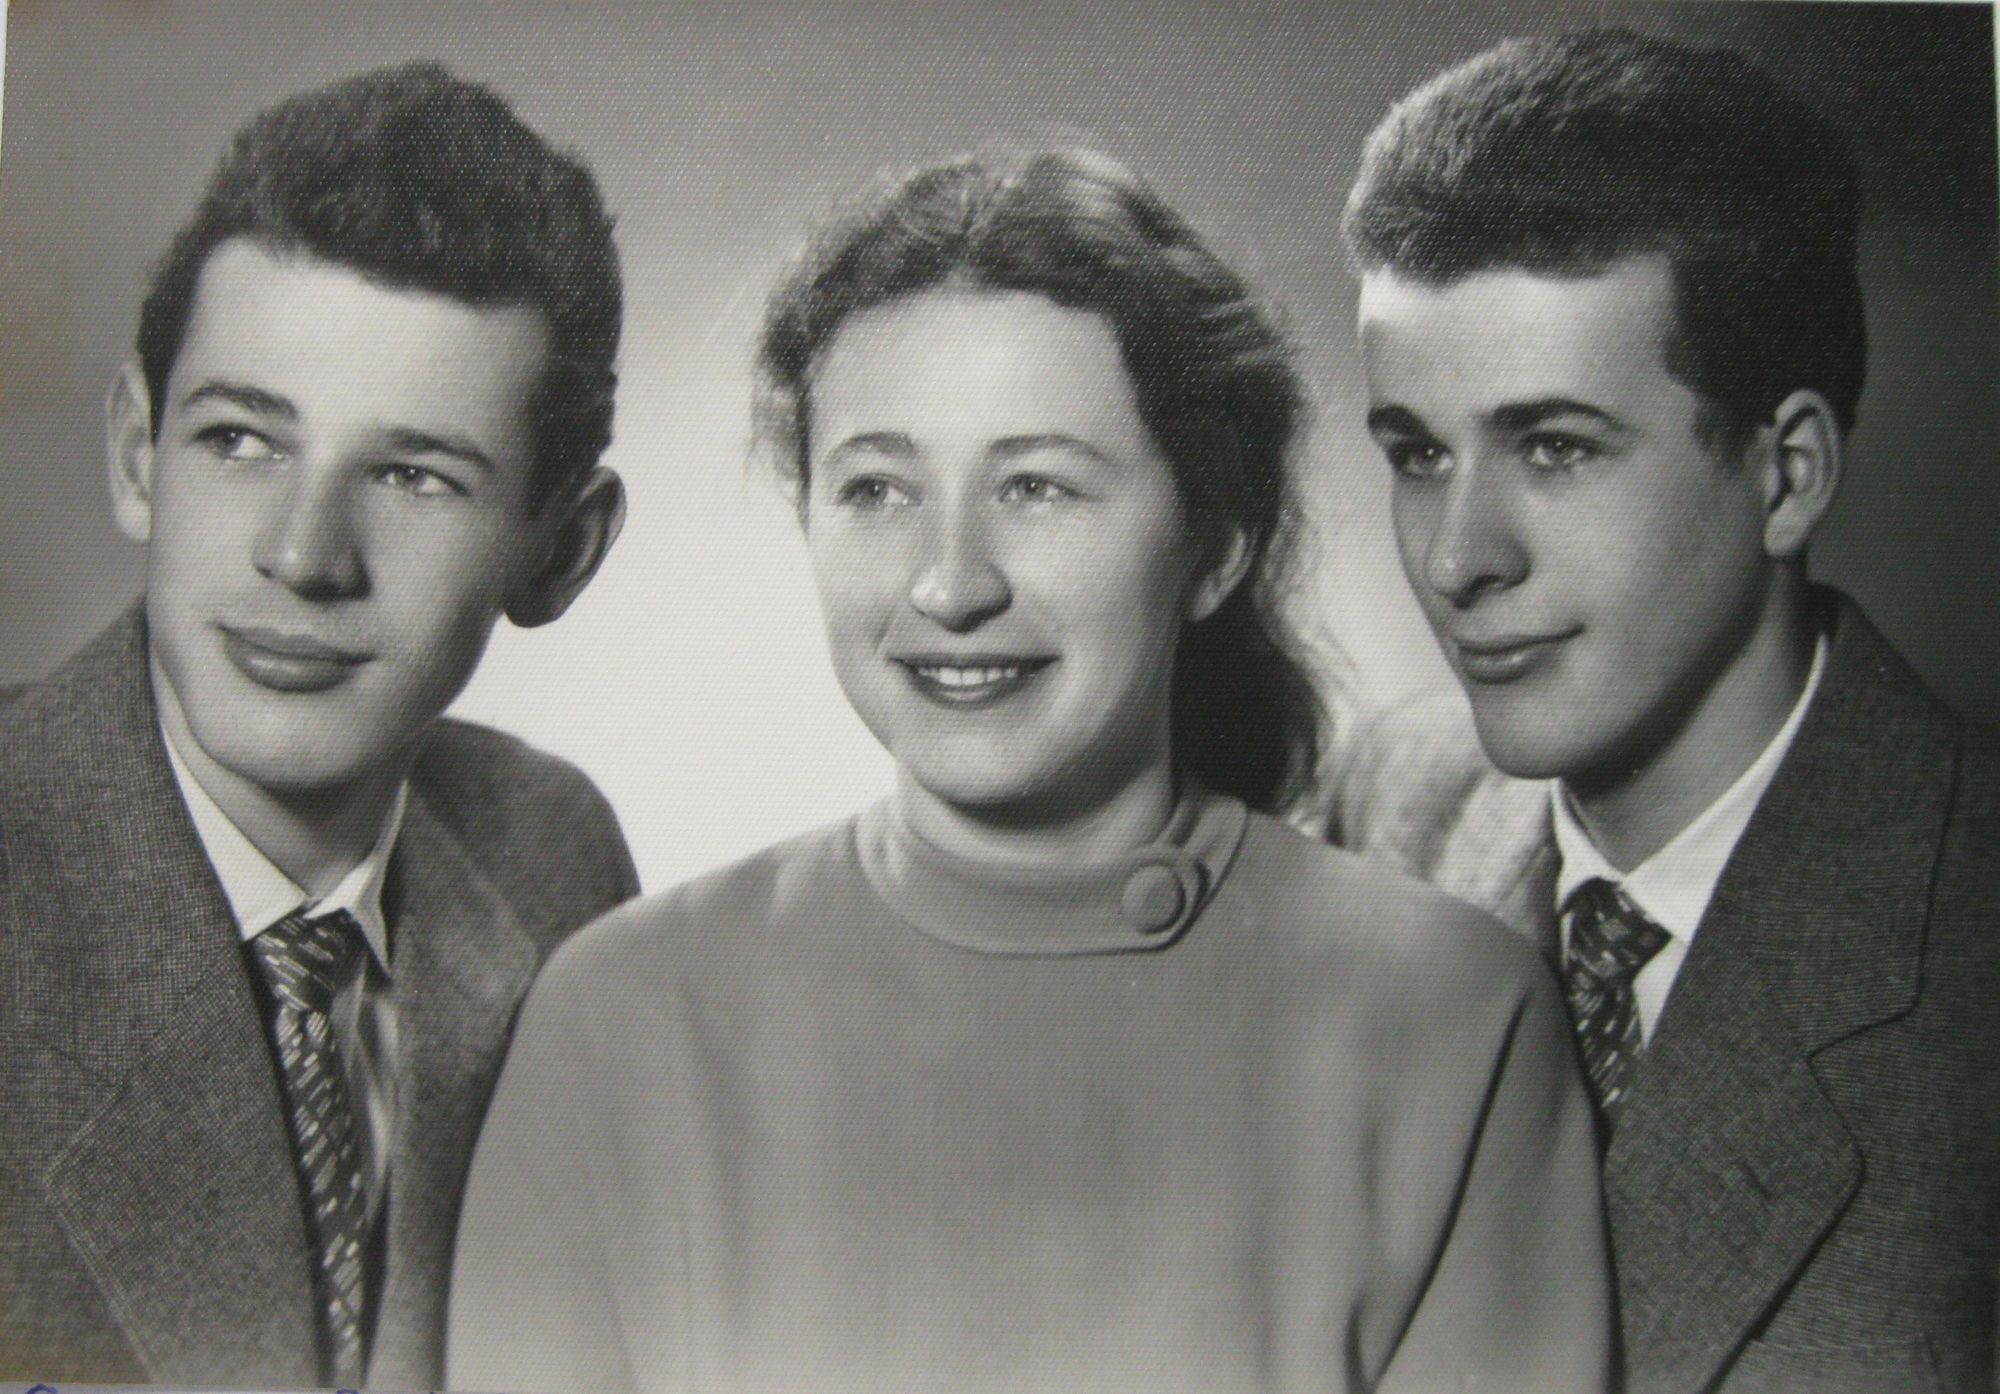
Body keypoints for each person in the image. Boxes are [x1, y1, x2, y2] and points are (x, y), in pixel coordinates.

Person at [448, 149, 1609, 1394]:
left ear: (1213, 545)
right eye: (876, 488)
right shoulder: (615, 1018)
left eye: (1036, 487)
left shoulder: (1451, 1018)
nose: (949, 583)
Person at [1339, 28, 2000, 1394]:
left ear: (1787, 474)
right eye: (1417, 453)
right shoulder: (1387, 806)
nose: (1457, 558)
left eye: (1554, 447)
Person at [0, 62, 639, 1389]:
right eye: (240, 440)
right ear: (137, 453)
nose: (301, 554)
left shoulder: (555, 857)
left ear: (561, 549)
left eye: (412, 474)